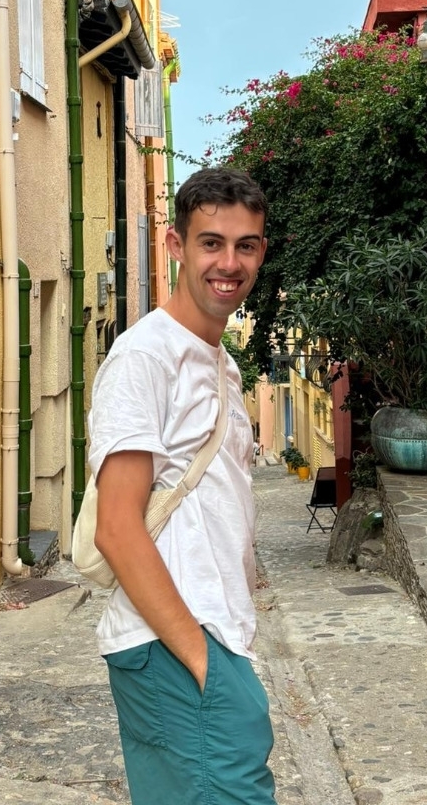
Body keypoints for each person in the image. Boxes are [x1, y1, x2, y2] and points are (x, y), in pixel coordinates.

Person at [87, 167, 277, 805]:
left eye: (245, 245)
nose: (229, 263)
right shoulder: (145, 357)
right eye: (211, 243)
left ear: (262, 252)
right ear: (176, 245)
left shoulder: (219, 361)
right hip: (179, 644)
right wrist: (201, 660)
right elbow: (117, 527)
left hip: (209, 640)